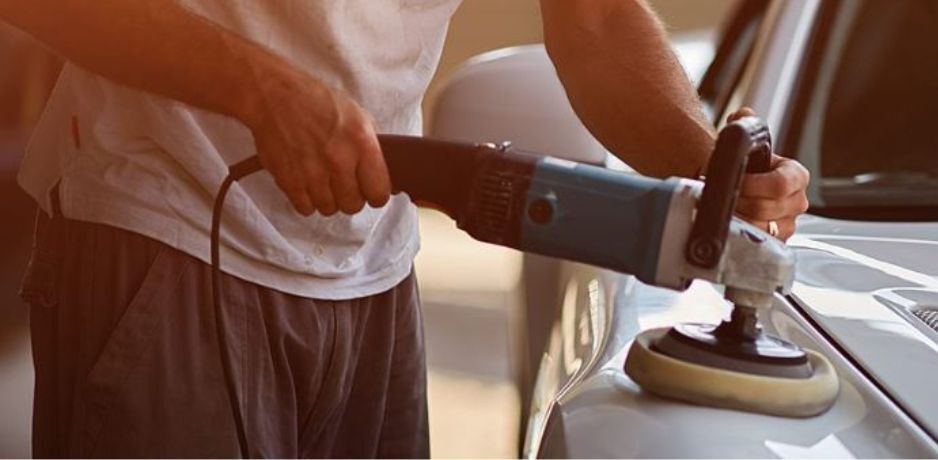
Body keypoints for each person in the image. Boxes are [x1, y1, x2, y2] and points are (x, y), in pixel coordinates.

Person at [0, 0, 811, 457]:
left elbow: (593, 19)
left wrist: (713, 175)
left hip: (372, 274)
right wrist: (258, 90)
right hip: (163, 230)